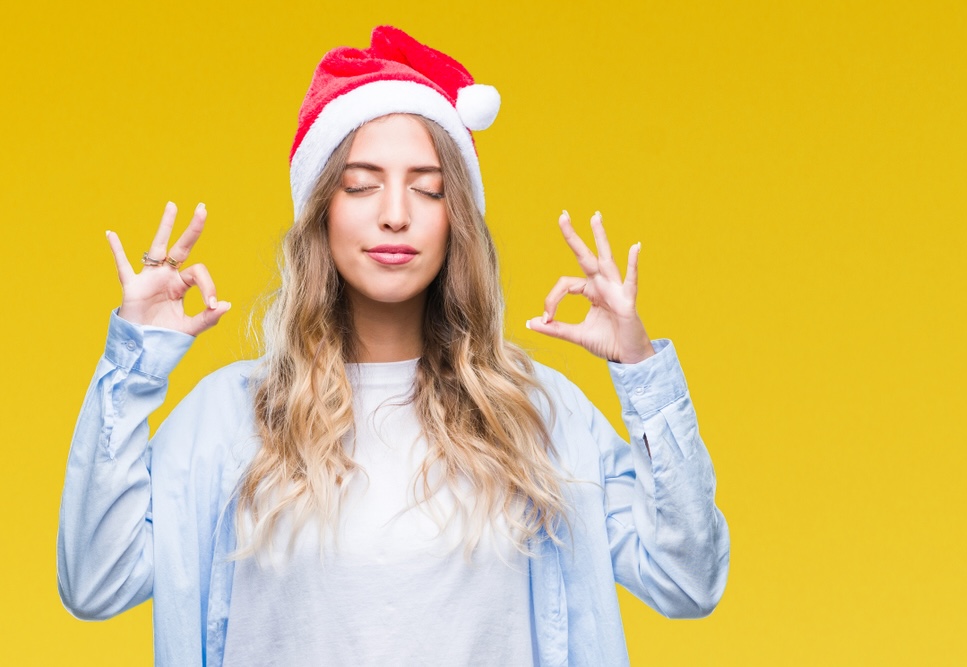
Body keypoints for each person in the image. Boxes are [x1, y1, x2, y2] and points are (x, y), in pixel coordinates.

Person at [57, 25, 729, 666]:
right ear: (321, 210)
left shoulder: (538, 417)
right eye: (362, 183)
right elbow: (94, 580)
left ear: (454, 219)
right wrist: (134, 360)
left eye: (428, 187)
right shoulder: (229, 418)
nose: (396, 212)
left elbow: (687, 577)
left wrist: (640, 370)